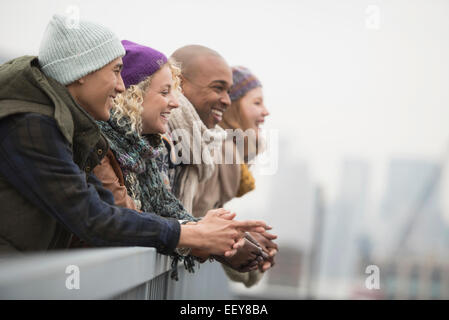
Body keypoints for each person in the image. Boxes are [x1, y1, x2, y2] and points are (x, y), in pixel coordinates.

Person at [0, 14, 269, 258]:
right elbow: (93, 219)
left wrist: (208, 237)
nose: (120, 84)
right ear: (82, 72)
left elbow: (107, 211)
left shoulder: (68, 126)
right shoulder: (30, 124)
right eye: (116, 71)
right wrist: (195, 234)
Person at [93, 40, 266, 275]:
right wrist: (206, 237)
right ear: (133, 93)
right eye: (165, 92)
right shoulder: (101, 143)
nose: (175, 101)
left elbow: (158, 213)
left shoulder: (146, 149)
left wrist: (221, 239)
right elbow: (125, 220)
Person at [159, 45, 277, 284]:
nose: (265, 112)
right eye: (256, 103)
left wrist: (242, 243)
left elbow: (198, 225)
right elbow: (191, 222)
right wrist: (235, 244)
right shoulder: (213, 151)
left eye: (229, 91)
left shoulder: (210, 148)